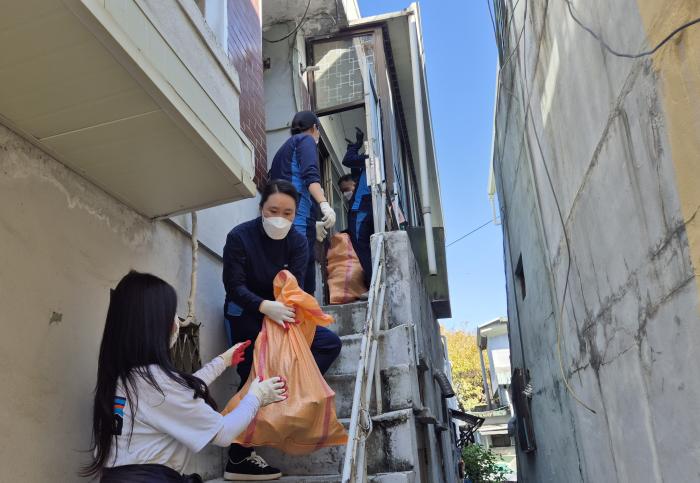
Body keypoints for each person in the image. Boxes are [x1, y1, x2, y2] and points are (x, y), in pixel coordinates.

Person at [82, 271, 288, 483]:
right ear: (153, 325)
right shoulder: (157, 384)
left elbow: (176, 393)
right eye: (171, 314)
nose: (176, 322)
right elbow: (224, 433)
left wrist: (221, 362)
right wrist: (256, 396)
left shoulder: (125, 377)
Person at [222, 179, 343, 481]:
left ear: (295, 214)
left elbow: (297, 286)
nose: (280, 217)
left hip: (284, 311)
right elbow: (234, 287)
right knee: (253, 373)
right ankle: (238, 456)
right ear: (261, 208)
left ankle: (289, 397)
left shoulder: (298, 241)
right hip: (248, 312)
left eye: (288, 213)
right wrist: (264, 306)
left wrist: (288, 311)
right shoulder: (240, 236)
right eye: (273, 209)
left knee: (327, 343)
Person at [268, 111, 337, 295]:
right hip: (297, 220)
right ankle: (300, 321)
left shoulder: (282, 151)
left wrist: (312, 223)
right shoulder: (305, 141)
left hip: (281, 224)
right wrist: (324, 204)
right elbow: (310, 177)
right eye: (318, 131)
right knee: (301, 285)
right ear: (314, 128)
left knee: (291, 278)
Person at [341, 127, 374, 289]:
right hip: (368, 209)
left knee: (362, 249)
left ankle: (372, 284)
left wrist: (356, 145)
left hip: (361, 210)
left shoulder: (371, 158)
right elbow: (354, 169)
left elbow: (347, 161)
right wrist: (352, 148)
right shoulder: (369, 166)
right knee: (367, 248)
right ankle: (371, 283)